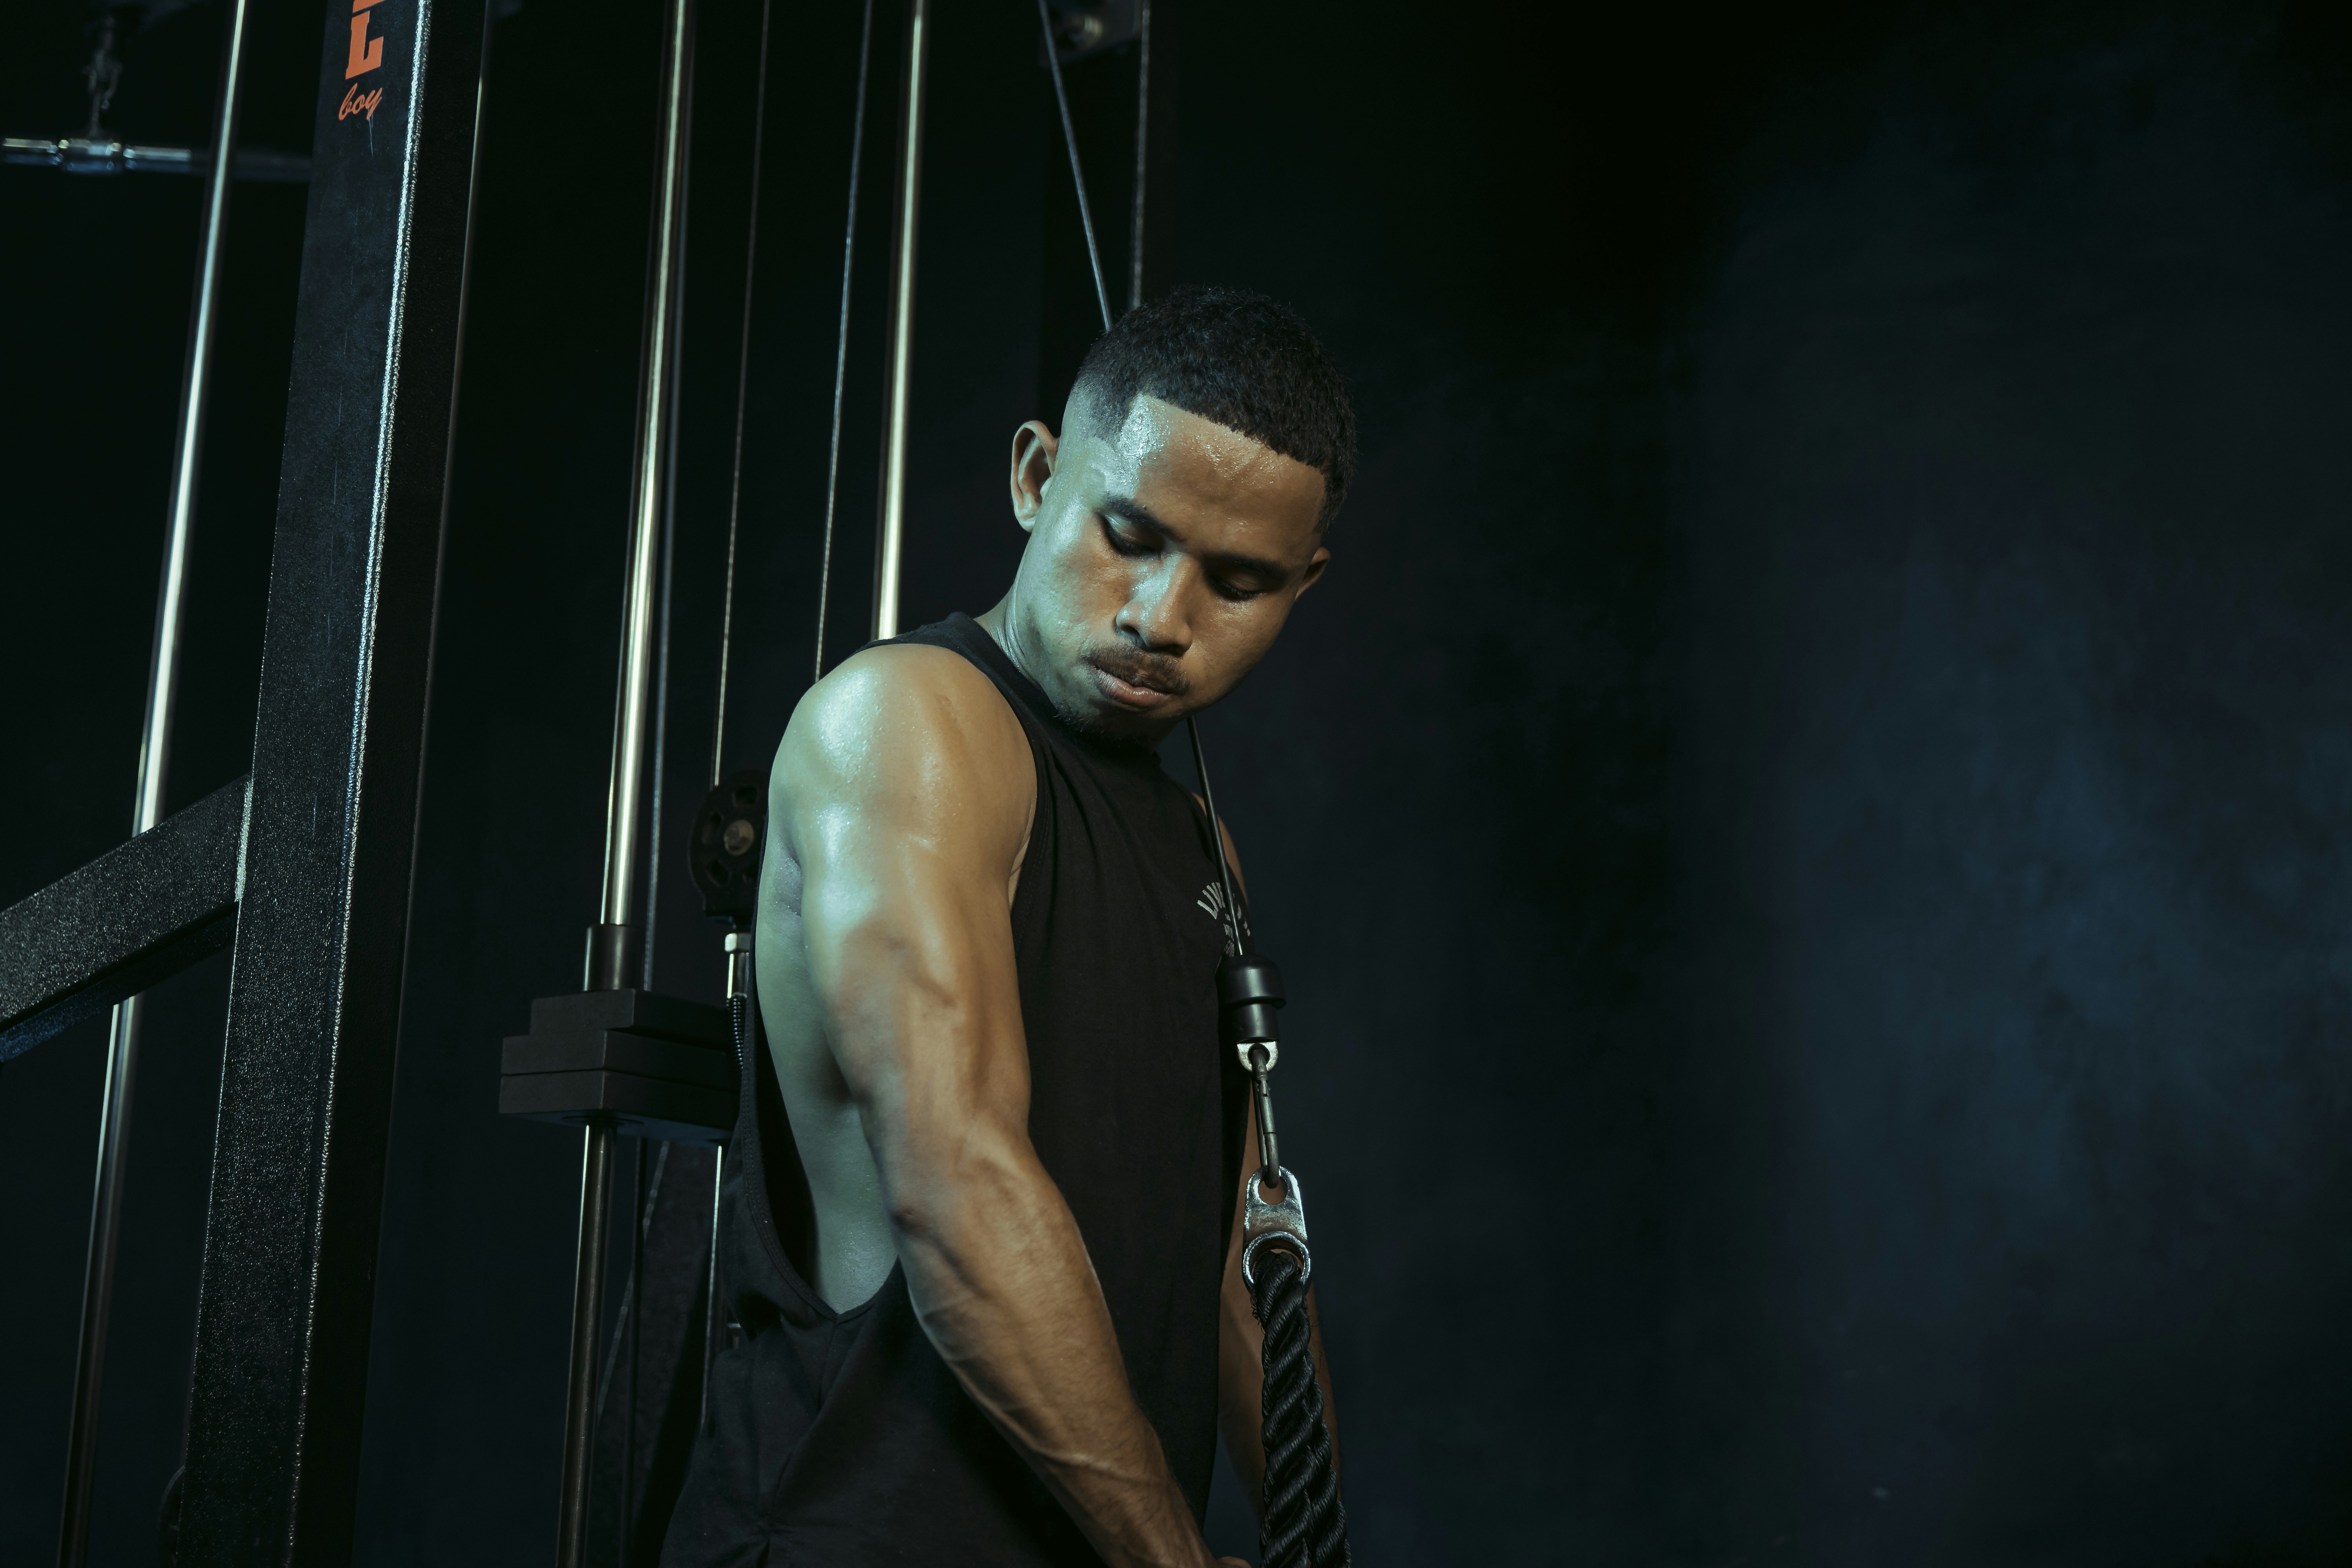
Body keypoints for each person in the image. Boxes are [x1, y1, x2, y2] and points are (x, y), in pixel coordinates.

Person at [664, 286, 1355, 1567]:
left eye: (1239, 583)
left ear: (1301, 583)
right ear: (1038, 478)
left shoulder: (1201, 845)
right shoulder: (913, 723)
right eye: (1128, 535)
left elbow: (1243, 1266)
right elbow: (959, 1186)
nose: (1162, 618)